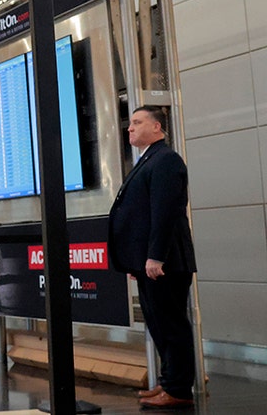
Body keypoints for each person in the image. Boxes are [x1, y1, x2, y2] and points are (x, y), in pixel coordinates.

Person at [108, 106, 197, 410]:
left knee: (171, 325)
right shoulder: (148, 159)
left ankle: (179, 388)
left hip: (167, 261)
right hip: (149, 262)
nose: (129, 128)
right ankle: (169, 381)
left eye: (137, 122)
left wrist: (156, 257)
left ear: (157, 127)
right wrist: (138, 260)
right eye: (130, 123)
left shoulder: (166, 160)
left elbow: (165, 212)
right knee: (159, 324)